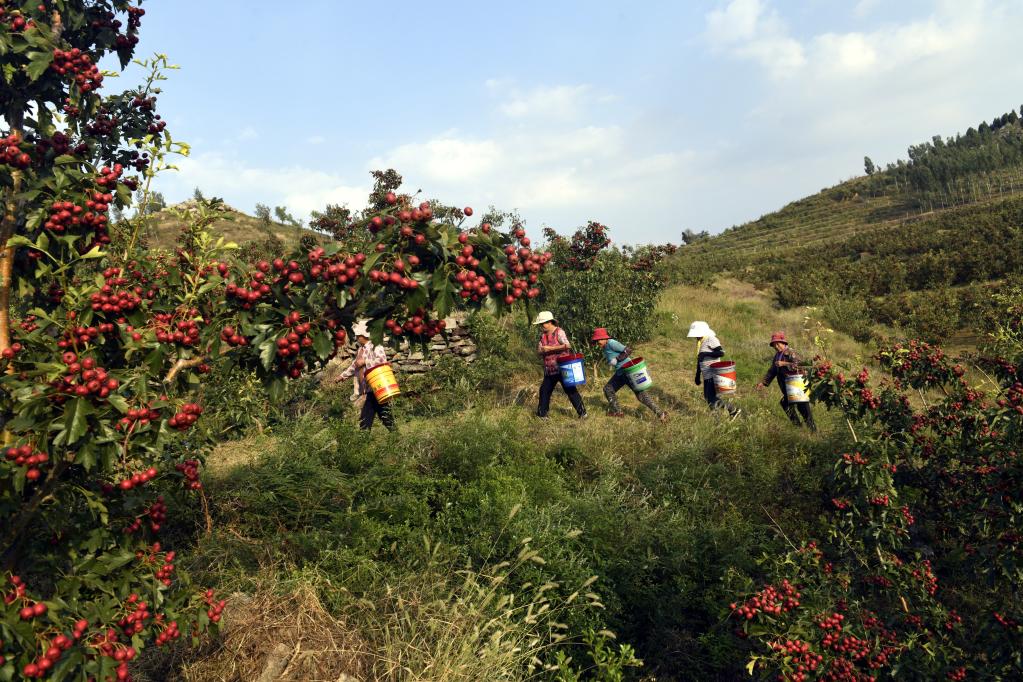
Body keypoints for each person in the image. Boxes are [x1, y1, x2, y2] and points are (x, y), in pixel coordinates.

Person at [591, 328, 667, 421]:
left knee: (641, 395)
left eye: (598, 341)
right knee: (608, 389)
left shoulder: (611, 343)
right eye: (596, 341)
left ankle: (661, 414)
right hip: (620, 373)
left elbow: (628, 350)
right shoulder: (605, 346)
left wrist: (617, 359)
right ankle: (617, 412)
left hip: (628, 372)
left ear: (604, 338)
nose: (597, 344)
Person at [336, 321, 396, 431]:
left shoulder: (376, 346)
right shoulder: (361, 350)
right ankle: (393, 433)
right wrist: (342, 376)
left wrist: (365, 361)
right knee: (382, 412)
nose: (357, 338)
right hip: (369, 388)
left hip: (377, 385)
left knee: (373, 412)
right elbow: (355, 365)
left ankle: (365, 435)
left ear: (364, 335)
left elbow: (381, 362)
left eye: (358, 336)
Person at [756, 331, 816, 432]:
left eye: (777, 343)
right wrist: (763, 382)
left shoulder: (791, 353)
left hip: (798, 385)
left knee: (803, 408)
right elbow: (772, 370)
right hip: (788, 387)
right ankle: (798, 426)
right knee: (785, 404)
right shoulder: (777, 356)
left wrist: (784, 363)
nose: (776, 346)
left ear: (783, 343)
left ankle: (813, 431)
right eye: (774, 344)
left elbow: (802, 365)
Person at [534, 311, 587, 419]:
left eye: (542, 323)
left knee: (570, 390)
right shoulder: (543, 336)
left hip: (563, 368)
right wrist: (542, 350)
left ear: (549, 322)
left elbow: (567, 345)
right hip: (550, 369)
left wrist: (551, 348)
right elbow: (539, 350)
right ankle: (542, 415)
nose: (541, 326)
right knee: (544, 390)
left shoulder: (559, 332)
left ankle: (582, 413)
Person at [687, 320, 741, 419]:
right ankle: (730, 411)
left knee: (710, 398)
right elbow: (700, 359)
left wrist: (706, 354)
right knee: (708, 397)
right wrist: (697, 375)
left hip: (713, 373)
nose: (695, 337)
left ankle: (723, 416)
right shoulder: (701, 342)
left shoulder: (711, 339)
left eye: (696, 334)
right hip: (706, 375)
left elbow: (721, 353)